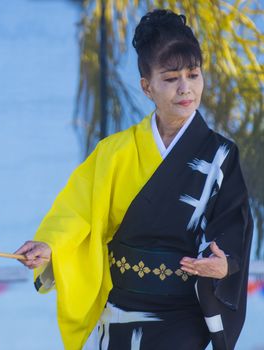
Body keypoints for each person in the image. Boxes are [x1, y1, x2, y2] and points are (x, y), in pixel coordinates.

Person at [15, 9, 253, 350]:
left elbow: (233, 222)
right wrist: (50, 246)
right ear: (147, 87)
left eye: (193, 74)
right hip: (121, 310)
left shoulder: (221, 155)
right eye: (171, 78)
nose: (185, 88)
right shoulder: (115, 152)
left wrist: (224, 263)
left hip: (183, 314)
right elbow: (78, 211)